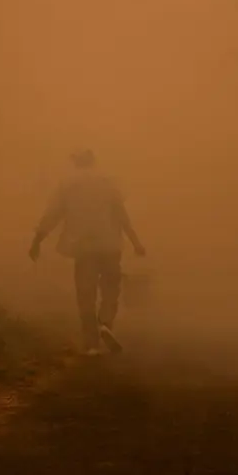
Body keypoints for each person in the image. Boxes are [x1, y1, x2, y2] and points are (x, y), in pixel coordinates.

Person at [28, 149, 146, 356]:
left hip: (83, 247)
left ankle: (91, 343)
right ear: (93, 162)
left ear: (76, 163)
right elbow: (121, 215)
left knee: (85, 294)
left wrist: (37, 241)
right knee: (110, 287)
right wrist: (136, 243)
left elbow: (52, 215)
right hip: (110, 245)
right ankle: (106, 323)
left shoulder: (67, 185)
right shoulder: (107, 182)